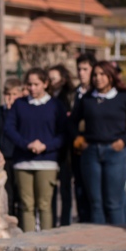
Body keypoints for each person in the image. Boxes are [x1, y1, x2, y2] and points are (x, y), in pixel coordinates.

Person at [71, 62, 126, 225]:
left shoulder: (123, 97)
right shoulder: (87, 99)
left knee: (114, 203)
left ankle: (120, 244)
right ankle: (99, 246)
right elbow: (72, 122)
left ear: (111, 76)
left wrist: (123, 140)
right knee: (96, 204)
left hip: (116, 153)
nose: (98, 78)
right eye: (95, 75)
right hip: (91, 153)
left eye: (102, 74)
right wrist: (79, 139)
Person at [5, 68, 67, 232]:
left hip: (47, 161)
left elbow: (63, 133)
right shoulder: (20, 104)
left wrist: (46, 146)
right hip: (23, 162)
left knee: (45, 205)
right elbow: (10, 128)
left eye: (36, 84)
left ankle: (45, 243)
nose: (32, 88)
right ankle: (28, 243)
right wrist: (27, 144)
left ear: (45, 84)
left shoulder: (55, 105)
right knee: (26, 205)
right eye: (29, 84)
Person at [47, 64, 75, 226]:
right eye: (48, 79)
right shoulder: (46, 98)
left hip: (66, 148)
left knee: (65, 187)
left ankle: (65, 222)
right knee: (50, 189)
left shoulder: (70, 97)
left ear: (63, 80)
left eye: (54, 79)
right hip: (50, 145)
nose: (51, 82)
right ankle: (49, 222)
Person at [0, 78, 23, 219]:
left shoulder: (23, 112)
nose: (10, 98)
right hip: (4, 157)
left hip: (19, 157)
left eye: (14, 95)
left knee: (21, 194)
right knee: (7, 193)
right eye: (7, 94)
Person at [72, 53, 96, 223]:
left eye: (85, 69)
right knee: (79, 190)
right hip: (77, 148)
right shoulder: (74, 93)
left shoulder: (98, 93)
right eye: (79, 69)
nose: (81, 73)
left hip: (95, 146)